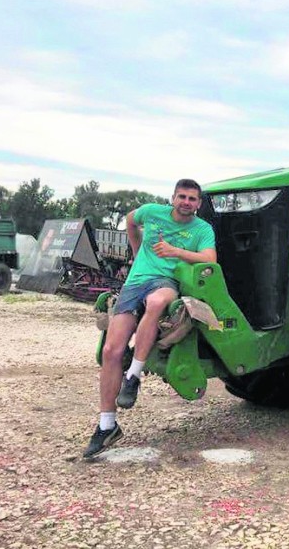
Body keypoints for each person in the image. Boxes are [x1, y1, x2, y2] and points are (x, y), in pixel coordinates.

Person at [83, 179, 216, 458]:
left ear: (199, 204)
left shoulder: (202, 229)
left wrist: (175, 252)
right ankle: (107, 425)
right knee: (111, 350)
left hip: (165, 281)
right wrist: (136, 250)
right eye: (182, 197)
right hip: (135, 282)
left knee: (157, 302)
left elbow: (210, 259)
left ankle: (133, 375)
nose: (186, 202)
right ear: (173, 198)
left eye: (192, 199)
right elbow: (131, 221)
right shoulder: (152, 212)